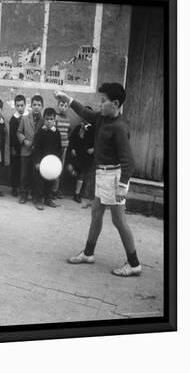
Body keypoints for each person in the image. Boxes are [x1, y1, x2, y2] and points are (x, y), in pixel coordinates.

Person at [55, 84, 142, 277]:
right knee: (96, 213)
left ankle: (134, 263)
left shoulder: (119, 127)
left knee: (119, 221)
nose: (100, 104)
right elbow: (85, 112)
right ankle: (88, 253)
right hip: (102, 174)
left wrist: (122, 185)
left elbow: (129, 161)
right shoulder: (102, 118)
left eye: (103, 101)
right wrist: (66, 98)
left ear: (116, 103)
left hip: (114, 178)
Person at [33, 108, 62, 210]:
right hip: (41, 163)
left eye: (51, 119)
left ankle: (48, 198)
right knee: (39, 182)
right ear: (44, 119)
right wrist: (37, 162)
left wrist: (58, 163)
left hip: (52, 163)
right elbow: (36, 148)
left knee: (50, 182)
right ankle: (38, 200)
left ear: (54, 120)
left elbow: (59, 149)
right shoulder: (41, 132)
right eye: (47, 119)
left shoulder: (56, 133)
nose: (49, 121)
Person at [17, 95, 44, 204]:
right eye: (34, 105)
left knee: (36, 175)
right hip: (26, 150)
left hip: (38, 153)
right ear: (31, 106)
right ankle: (23, 194)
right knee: (24, 174)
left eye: (39, 105)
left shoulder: (44, 120)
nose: (36, 107)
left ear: (42, 106)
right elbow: (19, 132)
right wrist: (24, 141)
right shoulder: (24, 118)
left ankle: (34, 195)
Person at [66, 111, 95, 206]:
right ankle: (75, 174)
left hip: (86, 156)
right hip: (76, 155)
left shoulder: (93, 130)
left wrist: (93, 149)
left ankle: (77, 194)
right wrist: (73, 148)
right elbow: (72, 139)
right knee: (69, 168)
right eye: (84, 116)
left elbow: (99, 141)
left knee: (81, 175)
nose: (85, 119)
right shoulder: (78, 128)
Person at [51, 99, 72, 199]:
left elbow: (68, 132)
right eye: (61, 105)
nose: (63, 107)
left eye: (65, 106)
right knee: (53, 168)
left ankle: (55, 190)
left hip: (64, 147)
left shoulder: (68, 119)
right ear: (58, 105)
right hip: (56, 147)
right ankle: (50, 190)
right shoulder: (55, 117)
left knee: (60, 169)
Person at [9, 94, 27, 196]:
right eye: (18, 105)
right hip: (16, 148)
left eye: (22, 105)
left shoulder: (28, 117)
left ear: (25, 105)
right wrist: (12, 148)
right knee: (15, 168)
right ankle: (14, 187)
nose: (20, 108)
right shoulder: (13, 119)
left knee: (24, 168)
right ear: (15, 106)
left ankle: (23, 187)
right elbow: (11, 135)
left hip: (25, 147)